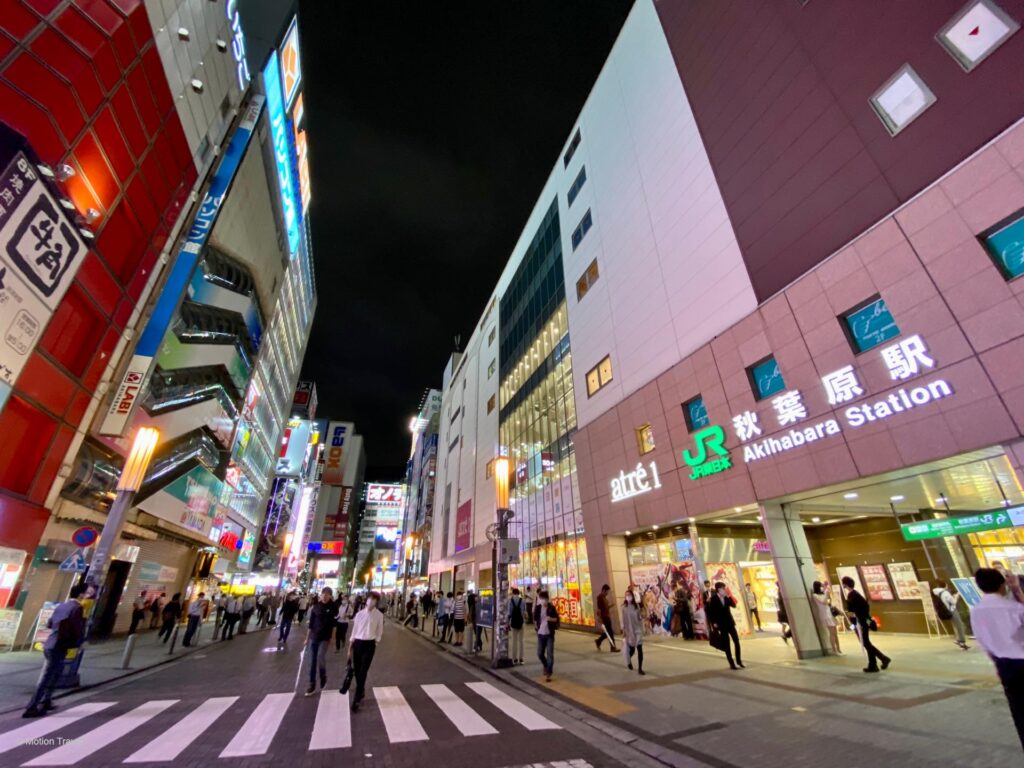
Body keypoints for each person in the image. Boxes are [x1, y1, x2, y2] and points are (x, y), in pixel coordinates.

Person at [970, 567, 1024, 750]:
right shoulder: (1014, 608)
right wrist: (1017, 590)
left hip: (1004, 665)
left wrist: (996, 664)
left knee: (1020, 712)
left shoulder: (976, 611)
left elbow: (983, 641)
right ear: (1003, 585)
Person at [23, 584, 87, 718]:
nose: (86, 595)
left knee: (56, 673)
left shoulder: (61, 606)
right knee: (47, 676)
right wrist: (80, 642)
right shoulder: (77, 608)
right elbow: (76, 628)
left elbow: (50, 623)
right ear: (80, 594)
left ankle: (47, 701)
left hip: (50, 643)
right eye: (85, 593)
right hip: (60, 645)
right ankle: (32, 706)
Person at [343, 590, 384, 711]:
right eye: (370, 598)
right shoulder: (359, 614)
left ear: (376, 602)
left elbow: (379, 631)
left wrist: (376, 642)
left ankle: (356, 698)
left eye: (374, 599)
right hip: (358, 643)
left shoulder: (379, 615)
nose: (371, 601)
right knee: (358, 670)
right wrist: (350, 646)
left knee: (363, 670)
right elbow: (354, 631)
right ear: (366, 600)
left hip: (369, 645)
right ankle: (361, 690)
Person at [842, 575, 890, 673]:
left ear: (845, 585)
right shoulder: (856, 594)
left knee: (865, 643)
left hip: (861, 623)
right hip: (864, 621)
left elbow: (851, 613)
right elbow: (865, 608)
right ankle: (877, 662)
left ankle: (879, 661)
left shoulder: (851, 596)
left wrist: (853, 625)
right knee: (866, 643)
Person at [304, 587, 337, 696]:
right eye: (323, 594)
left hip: (325, 637)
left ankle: (323, 676)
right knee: (312, 660)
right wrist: (306, 638)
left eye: (327, 594)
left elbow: (334, 625)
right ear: (321, 595)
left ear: (330, 596)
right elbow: (311, 624)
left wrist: (333, 637)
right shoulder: (316, 607)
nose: (325, 596)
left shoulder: (333, 607)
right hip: (314, 636)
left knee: (320, 657)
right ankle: (312, 684)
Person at [705, 581, 743, 670]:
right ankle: (731, 663)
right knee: (727, 644)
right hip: (721, 624)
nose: (724, 590)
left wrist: (729, 596)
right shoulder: (713, 599)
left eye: (724, 588)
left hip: (730, 623)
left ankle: (739, 661)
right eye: (723, 588)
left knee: (736, 642)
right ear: (718, 590)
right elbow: (711, 612)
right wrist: (714, 623)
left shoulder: (726, 598)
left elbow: (733, 605)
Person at [932, 580, 969, 650]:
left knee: (957, 625)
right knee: (960, 626)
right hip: (952, 610)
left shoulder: (936, 592)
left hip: (945, 610)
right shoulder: (945, 593)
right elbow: (953, 602)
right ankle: (961, 642)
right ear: (944, 585)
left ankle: (959, 640)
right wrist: (957, 596)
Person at [533, 589, 560, 682]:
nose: (542, 600)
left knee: (550, 654)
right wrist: (536, 626)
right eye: (541, 598)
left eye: (544, 598)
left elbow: (557, 619)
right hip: (540, 634)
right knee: (540, 653)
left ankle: (549, 673)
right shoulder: (538, 608)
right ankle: (545, 665)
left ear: (547, 599)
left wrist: (550, 619)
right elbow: (535, 619)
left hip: (549, 634)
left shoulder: (551, 608)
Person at [811, 581, 841, 655]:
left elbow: (828, 602)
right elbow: (824, 602)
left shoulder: (823, 593)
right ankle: (834, 650)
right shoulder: (815, 595)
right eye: (821, 586)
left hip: (830, 613)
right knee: (832, 633)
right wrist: (826, 593)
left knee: (835, 633)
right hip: (825, 615)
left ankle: (839, 649)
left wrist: (827, 592)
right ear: (818, 587)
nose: (822, 587)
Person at [621, 588, 646, 675]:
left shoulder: (637, 607)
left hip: (637, 630)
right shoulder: (624, 608)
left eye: (629, 595)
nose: (628, 597)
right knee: (631, 650)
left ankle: (640, 668)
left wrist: (643, 615)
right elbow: (623, 620)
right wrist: (623, 631)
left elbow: (640, 617)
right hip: (629, 631)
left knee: (639, 649)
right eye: (627, 595)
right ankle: (628, 660)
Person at [594, 584, 619, 652]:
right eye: (607, 591)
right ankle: (613, 647)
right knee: (610, 632)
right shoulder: (600, 597)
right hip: (604, 617)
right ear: (604, 590)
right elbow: (599, 609)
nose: (608, 593)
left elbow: (606, 607)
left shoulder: (604, 597)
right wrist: (599, 618)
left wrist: (611, 606)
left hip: (607, 616)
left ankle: (598, 641)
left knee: (608, 632)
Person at [508, 587, 526, 664]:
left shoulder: (510, 601)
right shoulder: (522, 601)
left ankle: (514, 659)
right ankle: (521, 659)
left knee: (514, 641)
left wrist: (508, 623)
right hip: (521, 622)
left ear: (513, 593)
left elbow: (509, 613)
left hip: (513, 622)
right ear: (518, 593)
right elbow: (523, 612)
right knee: (521, 641)